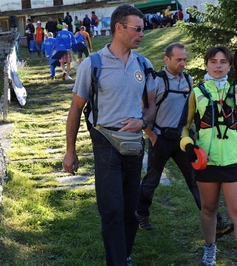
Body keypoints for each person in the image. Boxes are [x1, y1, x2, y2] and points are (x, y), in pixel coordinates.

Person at [63, 4, 157, 265]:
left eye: (142, 29)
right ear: (119, 28)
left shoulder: (144, 64)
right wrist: (70, 151)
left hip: (133, 145)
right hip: (104, 141)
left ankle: (123, 256)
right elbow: (75, 109)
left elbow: (151, 108)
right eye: (137, 29)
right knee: (112, 209)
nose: (142, 34)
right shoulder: (92, 65)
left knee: (130, 210)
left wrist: (142, 121)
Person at [137, 42, 234, 240]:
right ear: (167, 59)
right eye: (178, 60)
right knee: (152, 180)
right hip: (161, 139)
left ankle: (217, 222)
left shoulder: (189, 80)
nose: (183, 63)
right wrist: (152, 136)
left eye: (184, 59)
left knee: (196, 181)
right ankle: (141, 215)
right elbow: (143, 111)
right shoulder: (156, 81)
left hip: (183, 140)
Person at [178, 44, 237, 266]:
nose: (218, 66)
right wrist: (188, 145)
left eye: (223, 62)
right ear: (206, 65)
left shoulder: (235, 90)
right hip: (207, 161)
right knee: (209, 208)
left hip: (234, 159)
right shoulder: (196, 93)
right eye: (213, 62)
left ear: (229, 66)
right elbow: (182, 127)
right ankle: (210, 246)